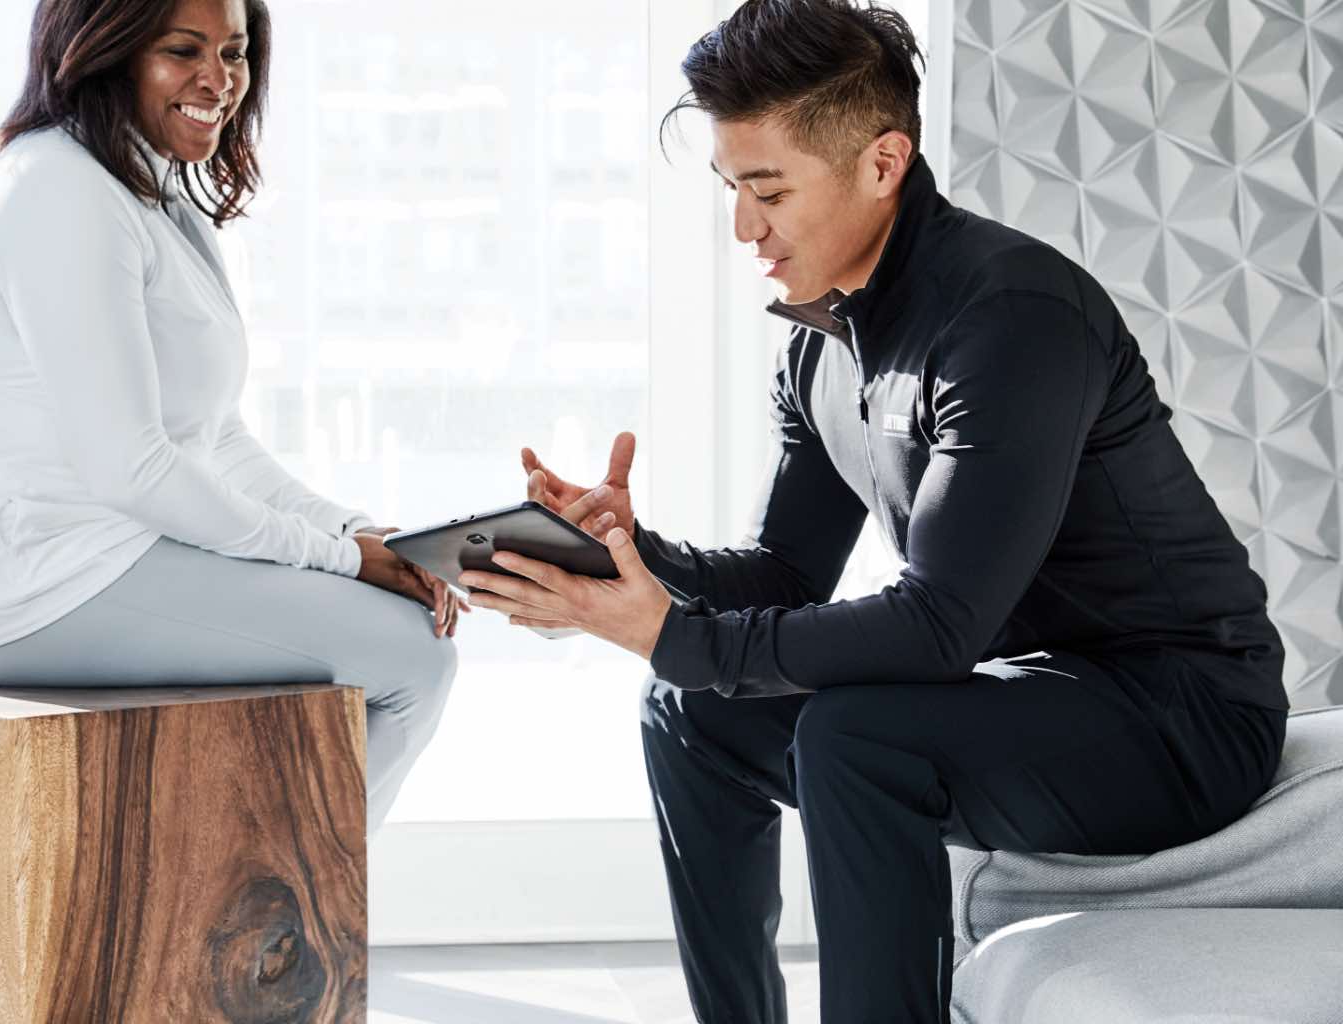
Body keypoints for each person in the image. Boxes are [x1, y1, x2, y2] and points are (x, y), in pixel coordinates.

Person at [459, 1, 1290, 1019]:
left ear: (883, 161)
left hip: (1184, 719)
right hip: (1039, 691)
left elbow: (940, 626)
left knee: (856, 735)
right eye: (732, 188)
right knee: (690, 709)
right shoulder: (822, 344)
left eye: (768, 190)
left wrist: (677, 635)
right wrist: (638, 555)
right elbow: (783, 576)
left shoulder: (1012, 317)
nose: (743, 226)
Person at [0, 0, 462, 837]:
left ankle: (261, 913)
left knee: (411, 635)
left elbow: (216, 438)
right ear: (107, 51)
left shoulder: (155, 193)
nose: (219, 80)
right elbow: (131, 465)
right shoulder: (57, 187)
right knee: (411, 655)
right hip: (23, 575)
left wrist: (359, 531)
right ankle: (280, 930)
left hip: (107, 550)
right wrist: (342, 559)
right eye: (183, 50)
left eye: (234, 52)